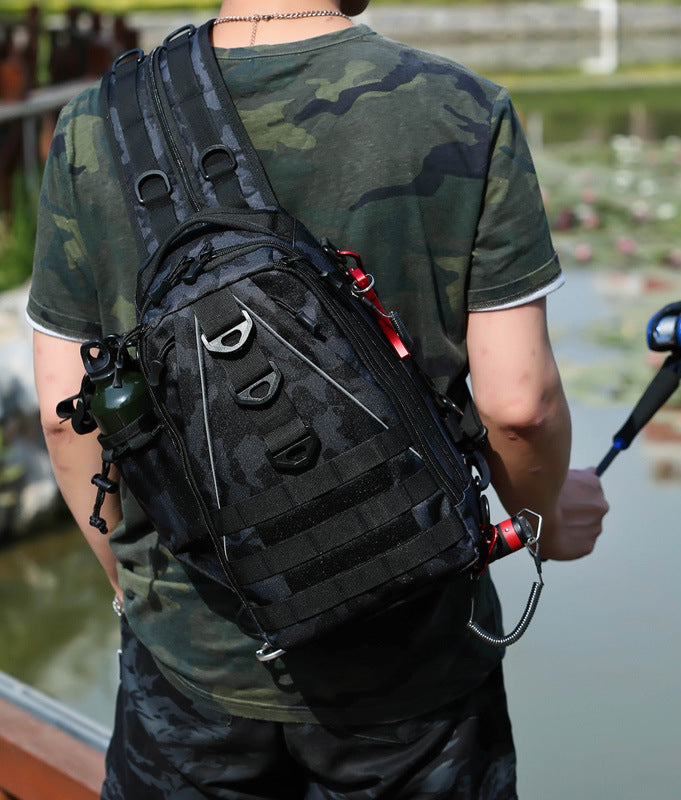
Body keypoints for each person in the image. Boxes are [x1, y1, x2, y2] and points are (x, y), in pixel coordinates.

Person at [29, 1, 609, 797]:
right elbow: (520, 407)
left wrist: (139, 591)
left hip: (193, 660)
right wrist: (543, 518)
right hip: (411, 664)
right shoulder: (463, 108)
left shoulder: (97, 122)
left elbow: (66, 416)